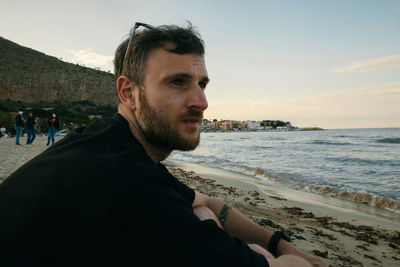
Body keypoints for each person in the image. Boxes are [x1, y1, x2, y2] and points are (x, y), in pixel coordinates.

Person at [0, 23, 326, 267]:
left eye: (202, 84)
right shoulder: (125, 184)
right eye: (178, 83)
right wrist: (291, 258)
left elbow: (206, 199)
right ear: (128, 92)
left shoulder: (108, 142)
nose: (201, 101)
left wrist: (283, 246)